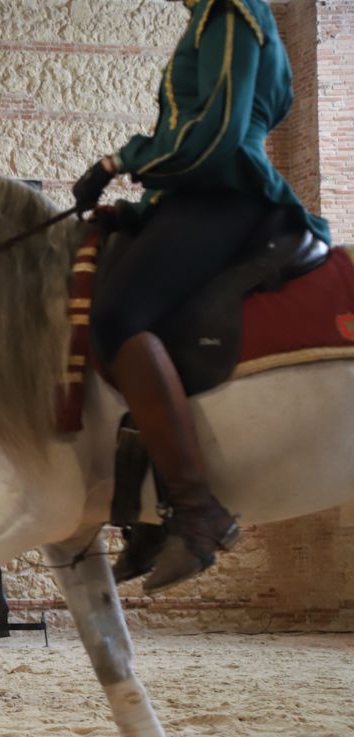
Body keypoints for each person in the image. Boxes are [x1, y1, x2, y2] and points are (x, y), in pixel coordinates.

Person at [71, 0, 331, 593]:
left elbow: (216, 136)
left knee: (115, 317)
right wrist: (140, 208)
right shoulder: (208, 19)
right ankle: (149, 508)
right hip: (192, 200)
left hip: (231, 198)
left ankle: (198, 511)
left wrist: (120, 160)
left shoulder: (234, 14)